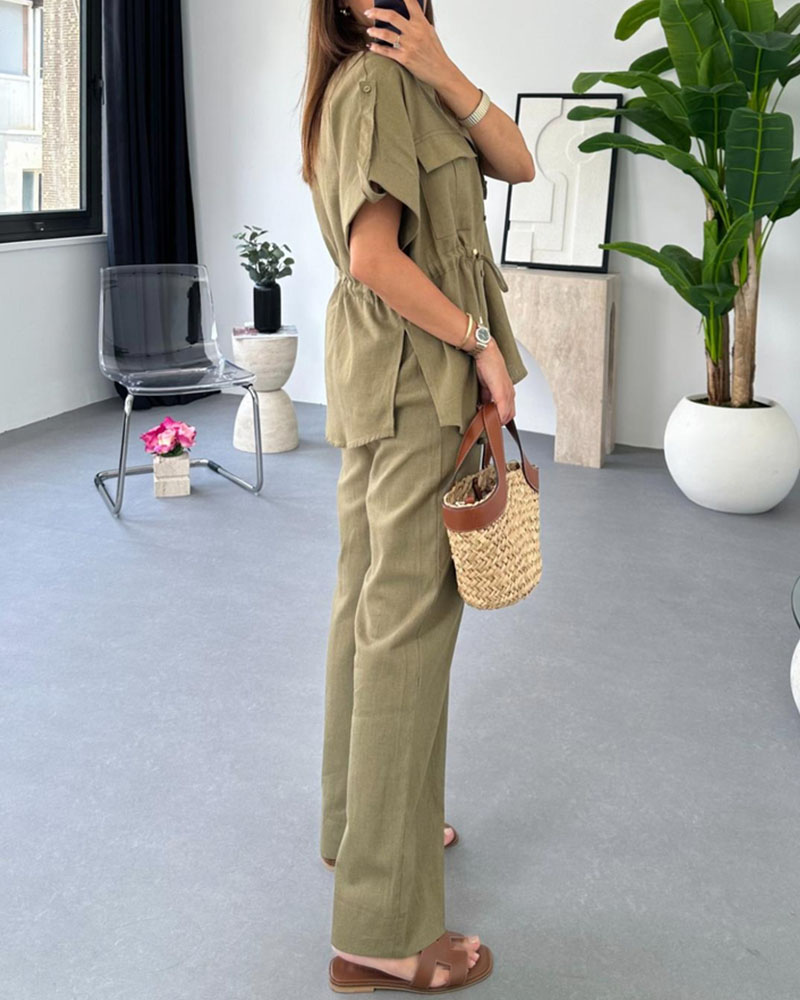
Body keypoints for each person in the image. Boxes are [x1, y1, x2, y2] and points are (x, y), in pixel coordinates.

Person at [300, 0, 534, 992]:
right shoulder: (376, 85)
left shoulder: (405, 80)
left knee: (369, 606)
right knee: (406, 625)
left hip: (386, 380)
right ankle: (382, 924)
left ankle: (362, 829)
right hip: (417, 383)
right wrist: (480, 345)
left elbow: (518, 161)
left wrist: (443, 66)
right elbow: (373, 257)